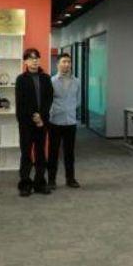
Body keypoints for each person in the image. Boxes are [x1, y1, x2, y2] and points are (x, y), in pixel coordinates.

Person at [15, 49, 53, 197]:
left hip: (42, 123)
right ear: (25, 61)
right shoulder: (21, 79)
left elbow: (49, 99)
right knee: (26, 153)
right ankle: (25, 184)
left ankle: (40, 183)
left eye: (36, 58)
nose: (34, 61)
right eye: (31, 58)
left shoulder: (46, 78)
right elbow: (21, 102)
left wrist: (41, 116)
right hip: (26, 123)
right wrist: (34, 116)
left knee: (40, 153)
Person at [48, 53, 81, 190]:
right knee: (53, 153)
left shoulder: (76, 81)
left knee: (69, 153)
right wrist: (55, 111)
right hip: (55, 121)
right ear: (58, 64)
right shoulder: (52, 81)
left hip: (71, 122)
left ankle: (70, 179)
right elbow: (48, 100)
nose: (67, 64)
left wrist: (70, 109)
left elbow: (78, 100)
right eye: (64, 61)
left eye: (68, 62)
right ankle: (51, 180)